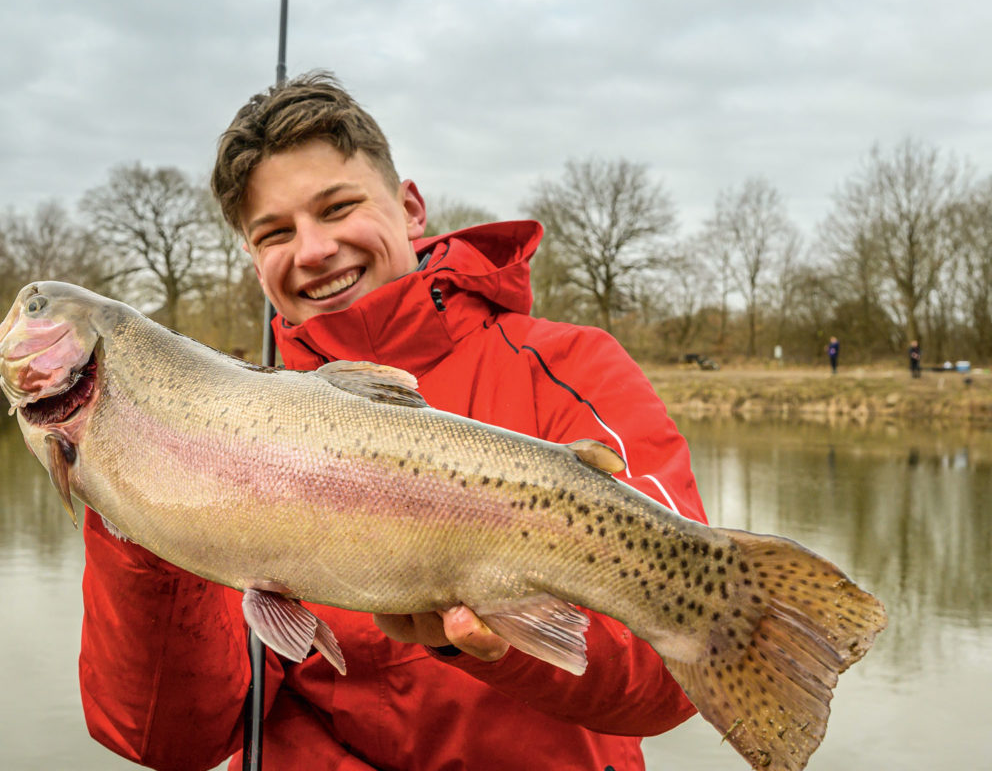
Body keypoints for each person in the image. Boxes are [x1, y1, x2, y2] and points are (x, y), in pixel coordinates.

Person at [77, 71, 708, 771]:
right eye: (274, 233)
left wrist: (495, 645)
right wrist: (131, 504)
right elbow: (168, 740)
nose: (313, 249)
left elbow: (675, 674)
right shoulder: (215, 428)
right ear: (256, 265)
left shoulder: (570, 365)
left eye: (337, 207)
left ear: (410, 208)